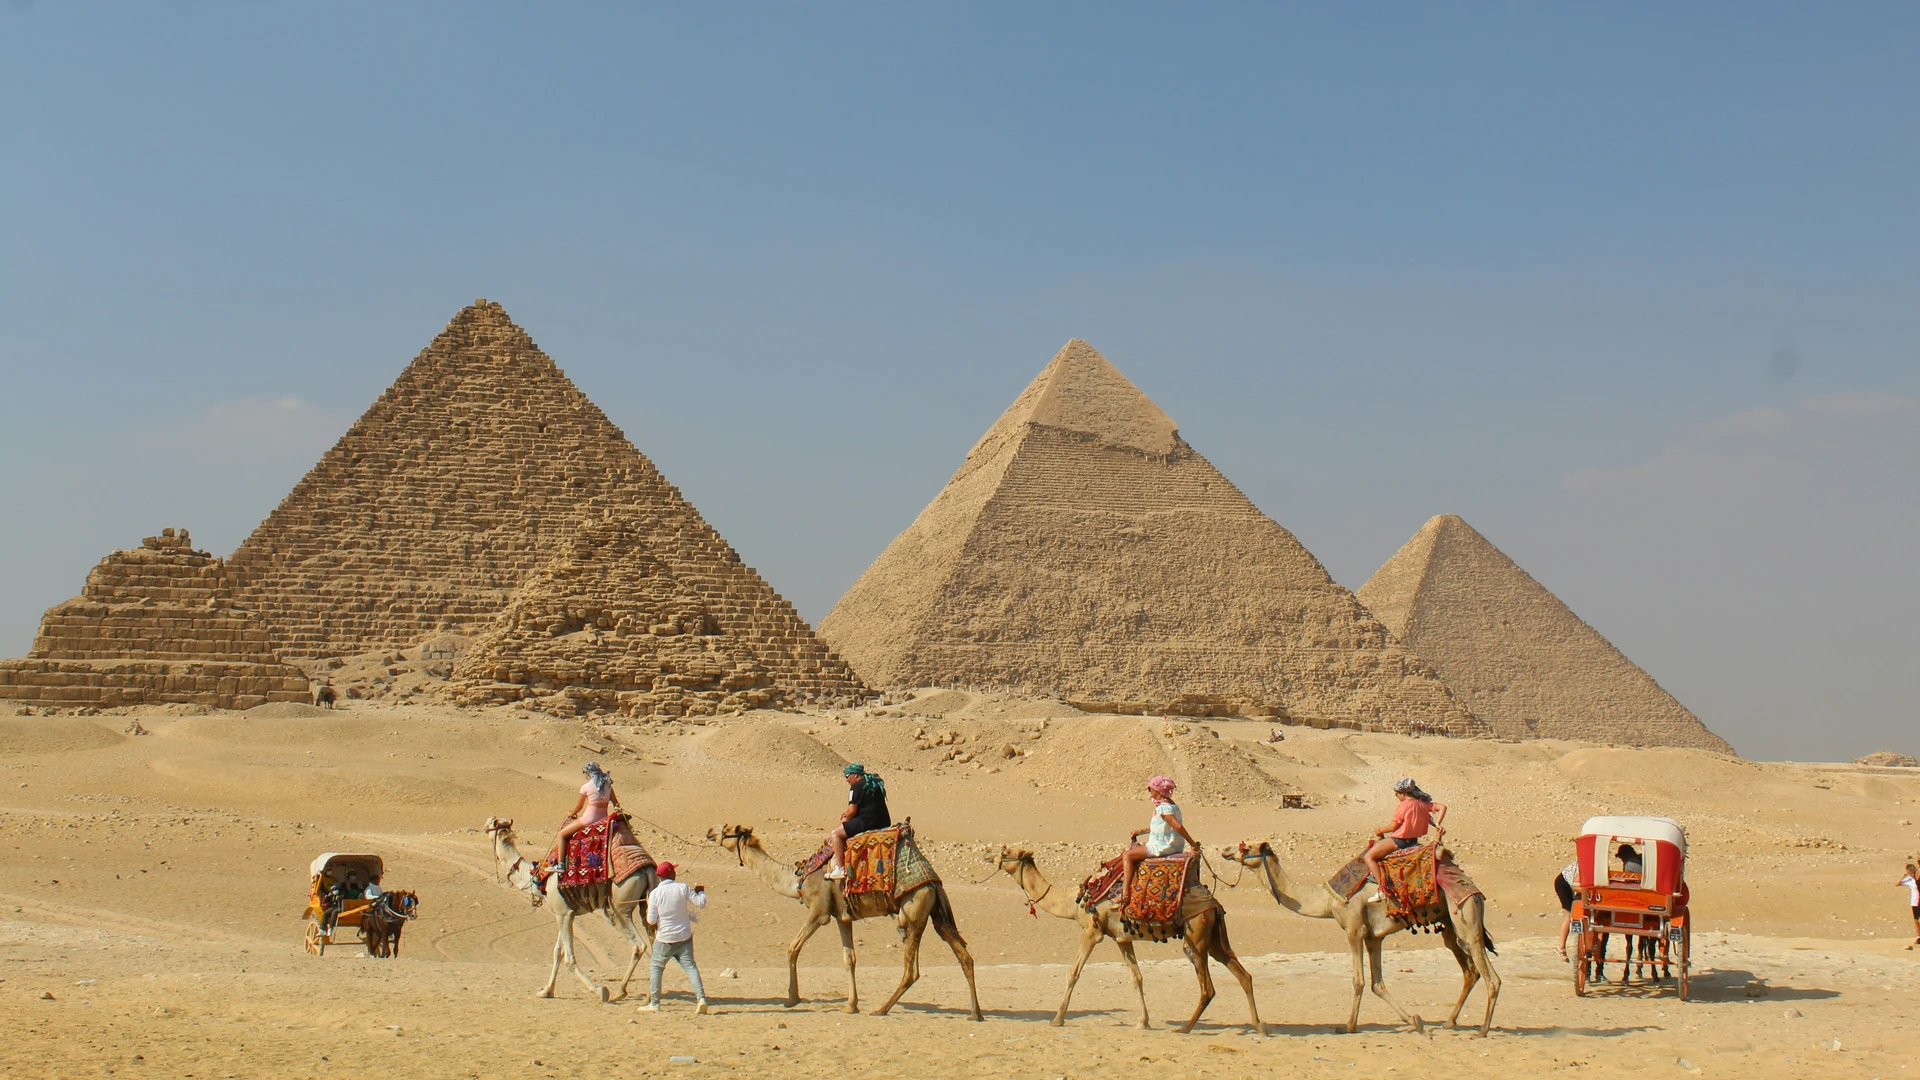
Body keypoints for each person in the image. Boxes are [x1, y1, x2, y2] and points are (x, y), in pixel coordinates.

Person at [1363, 778, 1446, 903]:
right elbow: (1443, 807)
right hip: (1413, 840)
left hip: (1399, 840)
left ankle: (1383, 889)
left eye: (1396, 794)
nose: (1396, 797)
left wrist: (1379, 830)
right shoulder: (1423, 804)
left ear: (1403, 793)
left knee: (1369, 857)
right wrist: (1438, 823)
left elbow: (1393, 827)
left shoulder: (1404, 805)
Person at [640, 861, 709, 1014]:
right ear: (672, 873)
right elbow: (701, 903)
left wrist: (651, 907)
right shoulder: (683, 887)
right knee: (691, 968)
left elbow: (651, 920)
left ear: (659, 877)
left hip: (665, 939)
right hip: (684, 937)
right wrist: (701, 892)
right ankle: (701, 999)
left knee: (656, 968)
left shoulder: (655, 894)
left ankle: (655, 1003)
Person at [1120, 776, 1198, 909]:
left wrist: (1192, 844)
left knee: (1127, 855)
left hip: (1162, 846)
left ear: (1158, 790)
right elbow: (1161, 826)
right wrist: (1140, 831)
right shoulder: (1172, 806)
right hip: (1171, 844)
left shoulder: (1164, 808)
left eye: (1151, 789)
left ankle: (1126, 892)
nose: (1149, 791)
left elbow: (1177, 826)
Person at [825, 763, 890, 880]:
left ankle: (839, 868)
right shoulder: (874, 783)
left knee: (835, 834)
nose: (846, 779)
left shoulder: (856, 787)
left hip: (867, 822)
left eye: (847, 776)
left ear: (856, 775)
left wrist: (845, 818)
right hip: (883, 822)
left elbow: (851, 810)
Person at [552, 762, 622, 862]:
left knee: (561, 834)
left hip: (588, 819)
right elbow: (616, 804)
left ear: (587, 773)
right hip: (603, 819)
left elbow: (579, 807)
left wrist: (571, 813)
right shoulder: (608, 786)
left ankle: (561, 864)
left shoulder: (586, 787)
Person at [1555, 861, 1579, 961]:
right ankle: (1561, 948)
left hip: (1573, 885)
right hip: (1565, 884)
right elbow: (1577, 885)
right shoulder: (1587, 864)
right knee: (1570, 915)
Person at [1899, 862, 1919, 949]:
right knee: (1916, 920)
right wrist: (1903, 876)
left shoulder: (1917, 879)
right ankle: (1918, 936)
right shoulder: (1909, 880)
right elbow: (1898, 884)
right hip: (1914, 901)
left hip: (1918, 901)